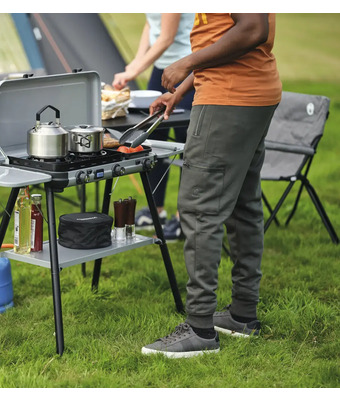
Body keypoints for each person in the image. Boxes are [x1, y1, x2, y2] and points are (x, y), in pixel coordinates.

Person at [141, 13, 282, 358]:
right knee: (244, 206)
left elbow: (253, 28)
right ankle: (242, 314)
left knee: (199, 210)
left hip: (228, 99)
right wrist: (184, 87)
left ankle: (200, 328)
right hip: (251, 91)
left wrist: (185, 62)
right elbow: (220, 37)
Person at [112, 13, 195, 241]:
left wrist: (134, 70)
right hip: (162, 67)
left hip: (186, 66)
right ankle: (155, 210)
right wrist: (135, 62)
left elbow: (166, 37)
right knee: (153, 137)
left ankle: (184, 217)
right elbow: (152, 24)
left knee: (186, 143)